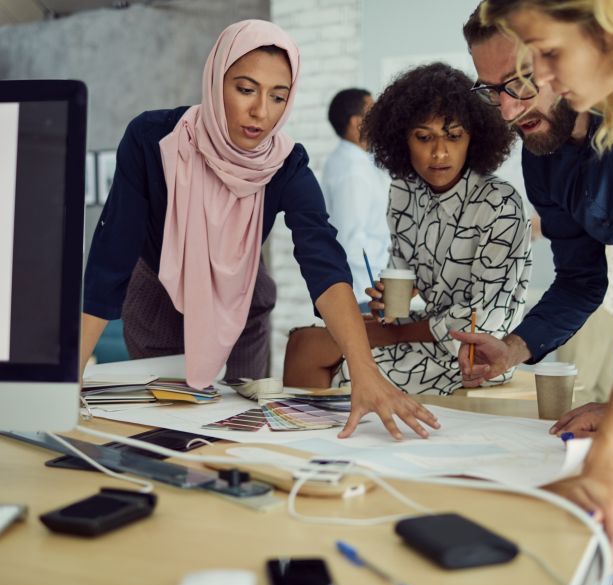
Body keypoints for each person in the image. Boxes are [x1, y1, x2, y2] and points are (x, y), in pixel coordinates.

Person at [81, 19, 438, 442]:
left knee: (236, 434)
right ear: (216, 80)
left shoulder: (285, 163)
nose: (261, 112)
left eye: (278, 96)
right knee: (172, 437)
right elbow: (111, 257)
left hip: (243, 305)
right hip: (161, 301)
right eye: (245, 89)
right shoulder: (153, 139)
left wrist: (365, 372)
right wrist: (68, 376)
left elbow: (322, 259)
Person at [471, 1, 613, 585]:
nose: (511, 109)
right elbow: (580, 278)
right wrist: (515, 347)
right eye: (492, 92)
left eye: (527, 73)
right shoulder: (541, 153)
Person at [283, 62, 530, 396]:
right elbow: (403, 272)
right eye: (424, 137)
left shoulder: (500, 204)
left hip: (473, 355)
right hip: (420, 330)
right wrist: (390, 301)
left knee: (334, 365)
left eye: (454, 136)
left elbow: (485, 321)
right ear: (402, 139)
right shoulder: (404, 189)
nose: (440, 151)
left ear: (474, 138)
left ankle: (325, 439)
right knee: (303, 341)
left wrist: (396, 333)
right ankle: (305, 438)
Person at [321, 88, 390, 311]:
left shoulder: (359, 162)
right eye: (374, 111)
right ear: (356, 123)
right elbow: (351, 242)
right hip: (364, 291)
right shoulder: (351, 170)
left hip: (370, 289)